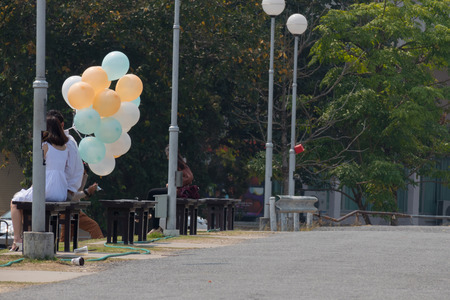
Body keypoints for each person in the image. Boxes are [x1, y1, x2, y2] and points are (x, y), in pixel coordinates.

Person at [10, 116, 70, 251]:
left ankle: (17, 239)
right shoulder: (64, 147)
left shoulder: (46, 146)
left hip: (47, 187)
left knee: (15, 201)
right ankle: (25, 238)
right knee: (26, 203)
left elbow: (38, 165)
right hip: (60, 190)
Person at [47, 110, 104, 241]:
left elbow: (72, 181)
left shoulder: (66, 142)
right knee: (67, 232)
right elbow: (71, 190)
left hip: (63, 195)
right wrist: (86, 192)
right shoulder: (60, 142)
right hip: (62, 195)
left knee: (66, 233)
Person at [147, 146, 194, 233]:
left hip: (177, 191)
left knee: (152, 193)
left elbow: (187, 178)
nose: (167, 157)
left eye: (167, 155)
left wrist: (174, 185)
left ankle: (148, 214)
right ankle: (154, 223)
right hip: (176, 190)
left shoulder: (177, 163)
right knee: (158, 199)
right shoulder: (180, 163)